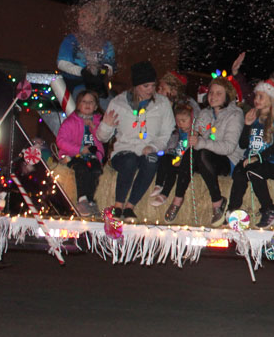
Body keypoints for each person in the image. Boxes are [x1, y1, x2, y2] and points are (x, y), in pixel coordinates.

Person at [97, 61, 175, 223]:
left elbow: (166, 133)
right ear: (135, 86)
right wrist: (106, 126)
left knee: (152, 160)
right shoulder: (118, 103)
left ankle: (130, 207)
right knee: (130, 160)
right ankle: (118, 205)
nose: (150, 90)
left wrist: (153, 146)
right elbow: (102, 137)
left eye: (153, 85)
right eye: (146, 86)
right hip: (124, 152)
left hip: (148, 150)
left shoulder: (162, 104)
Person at [165, 77, 244, 224]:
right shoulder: (205, 114)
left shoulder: (235, 114)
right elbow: (194, 140)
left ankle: (217, 201)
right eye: (211, 93)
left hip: (227, 159)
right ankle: (178, 199)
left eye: (218, 93)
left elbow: (228, 147)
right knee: (191, 153)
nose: (213, 96)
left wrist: (202, 142)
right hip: (204, 158)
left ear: (227, 95)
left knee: (201, 153)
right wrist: (182, 157)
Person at [224, 79, 274, 228]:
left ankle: (269, 209)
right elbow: (242, 144)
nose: (256, 100)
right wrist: (247, 126)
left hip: (270, 162)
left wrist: (258, 157)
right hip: (251, 160)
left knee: (254, 171)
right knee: (239, 173)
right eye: (256, 96)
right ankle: (232, 209)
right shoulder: (253, 117)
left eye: (261, 96)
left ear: (272, 100)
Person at [55, 90, 105, 217]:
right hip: (73, 155)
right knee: (81, 168)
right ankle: (82, 199)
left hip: (92, 155)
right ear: (78, 105)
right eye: (84, 102)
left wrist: (93, 127)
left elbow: (103, 138)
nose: (87, 104)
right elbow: (61, 141)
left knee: (96, 170)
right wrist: (79, 149)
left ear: (95, 106)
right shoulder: (71, 122)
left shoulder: (99, 122)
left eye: (91, 102)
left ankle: (91, 199)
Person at [56, 0, 115, 99]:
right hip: (74, 85)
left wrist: (103, 71)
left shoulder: (106, 43)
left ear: (95, 19)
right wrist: (83, 72)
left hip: (98, 86)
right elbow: (62, 63)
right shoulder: (71, 40)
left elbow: (110, 65)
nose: (79, 20)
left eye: (83, 16)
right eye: (79, 16)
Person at [149, 102, 194, 208]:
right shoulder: (176, 133)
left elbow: (188, 150)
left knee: (172, 170)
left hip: (185, 163)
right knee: (165, 159)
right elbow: (172, 147)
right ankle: (158, 184)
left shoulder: (193, 135)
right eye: (178, 121)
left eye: (184, 121)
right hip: (175, 157)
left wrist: (179, 158)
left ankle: (164, 194)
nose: (180, 124)